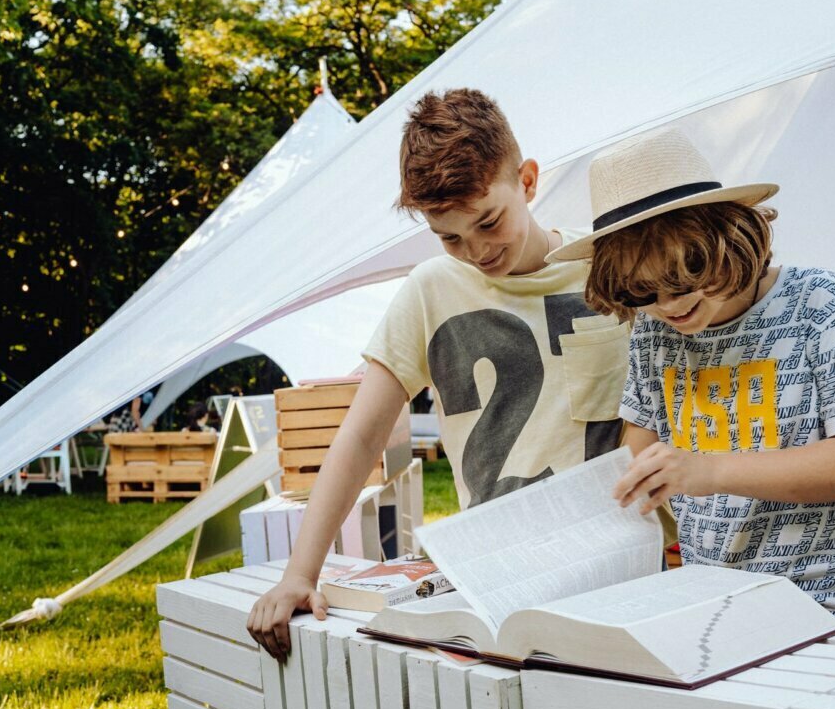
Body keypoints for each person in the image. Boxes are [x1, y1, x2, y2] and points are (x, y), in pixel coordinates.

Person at [247, 89, 630, 660]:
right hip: (503, 579)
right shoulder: (428, 289)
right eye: (449, 236)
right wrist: (300, 573)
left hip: (625, 564)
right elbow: (359, 436)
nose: (475, 250)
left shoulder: (614, 267)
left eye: (488, 222)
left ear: (527, 181)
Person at [549, 127, 835, 632]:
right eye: (643, 291)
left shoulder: (820, 303)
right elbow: (641, 452)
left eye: (686, 276)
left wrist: (709, 470)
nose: (669, 305)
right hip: (716, 614)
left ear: (732, 235)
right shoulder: (654, 334)